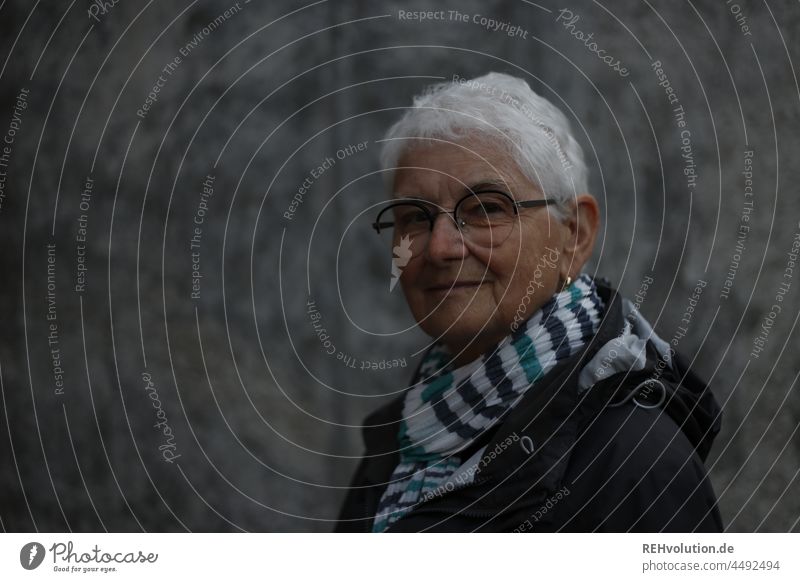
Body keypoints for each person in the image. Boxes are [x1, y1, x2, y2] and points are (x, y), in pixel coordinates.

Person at [334, 72, 723, 532]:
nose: (440, 248)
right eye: (415, 217)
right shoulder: (410, 434)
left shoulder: (634, 459)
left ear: (574, 235)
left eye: (487, 208)